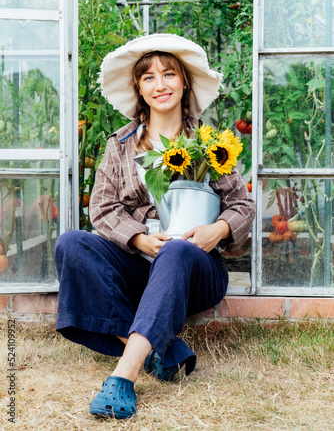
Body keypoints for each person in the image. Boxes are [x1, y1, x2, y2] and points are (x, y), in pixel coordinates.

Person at [54, 33, 255, 420]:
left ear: (184, 83)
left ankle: (123, 376)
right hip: (140, 263)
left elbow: (242, 204)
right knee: (71, 244)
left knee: (179, 248)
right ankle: (162, 349)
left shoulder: (209, 142)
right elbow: (101, 207)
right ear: (139, 89)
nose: (159, 85)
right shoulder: (120, 145)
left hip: (193, 268)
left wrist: (219, 230)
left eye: (168, 74)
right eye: (148, 77)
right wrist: (139, 238)